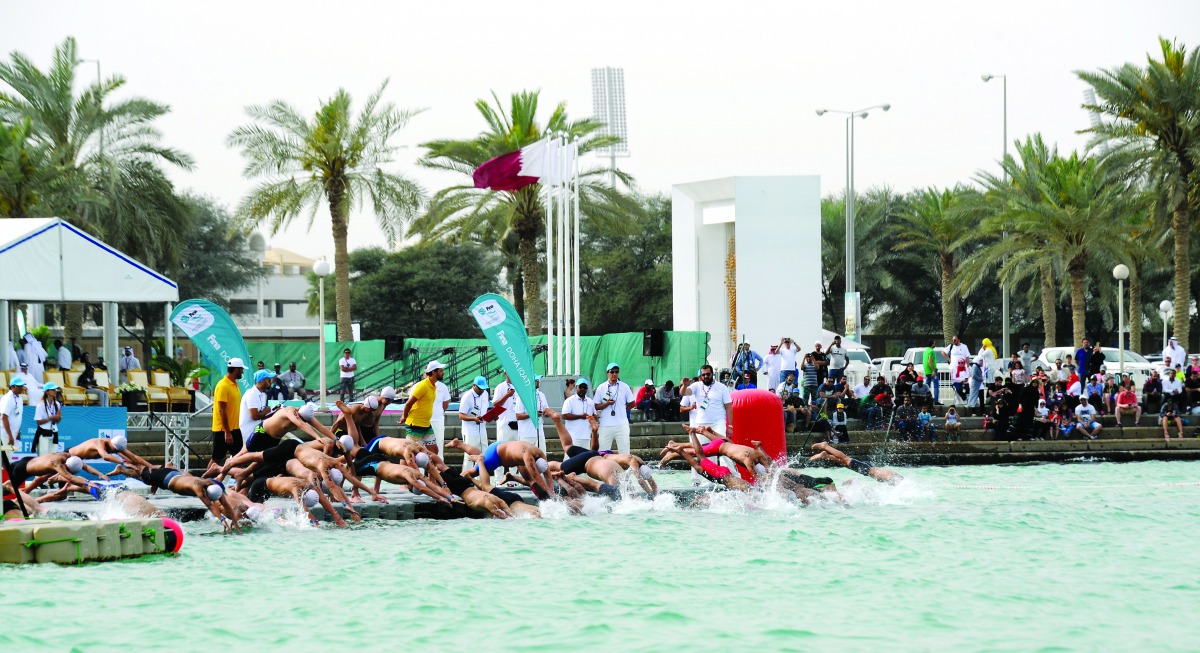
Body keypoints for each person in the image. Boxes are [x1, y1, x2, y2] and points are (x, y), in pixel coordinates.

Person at [205, 357, 247, 477]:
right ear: (236, 370)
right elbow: (221, 410)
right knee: (217, 459)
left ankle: (240, 485)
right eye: (241, 370)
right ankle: (205, 482)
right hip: (223, 430)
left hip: (235, 428)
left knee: (240, 459)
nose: (242, 372)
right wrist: (227, 433)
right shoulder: (223, 385)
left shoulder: (235, 385)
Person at [593, 362, 636, 454]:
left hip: (621, 424)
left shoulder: (624, 386)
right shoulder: (601, 387)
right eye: (612, 372)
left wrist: (623, 408)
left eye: (616, 372)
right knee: (603, 451)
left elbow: (633, 403)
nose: (614, 374)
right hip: (606, 424)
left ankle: (626, 468)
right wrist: (607, 404)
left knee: (624, 451)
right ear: (607, 373)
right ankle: (603, 468)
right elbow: (596, 405)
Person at [809, 441, 902, 484]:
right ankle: (825, 446)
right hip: (868, 469)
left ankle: (826, 455)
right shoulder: (898, 482)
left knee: (845, 462)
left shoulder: (899, 480)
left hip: (870, 468)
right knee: (845, 459)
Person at [403, 360, 445, 453]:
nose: (443, 373)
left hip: (426, 424)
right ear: (434, 372)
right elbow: (408, 404)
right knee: (411, 452)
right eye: (441, 371)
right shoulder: (423, 386)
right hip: (415, 424)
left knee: (434, 450)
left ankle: (428, 467)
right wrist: (405, 416)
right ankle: (403, 468)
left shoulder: (433, 386)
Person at [239, 369, 276, 452]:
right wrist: (266, 411)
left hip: (256, 431)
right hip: (247, 433)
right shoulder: (251, 393)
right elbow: (255, 416)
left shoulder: (263, 395)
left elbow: (262, 415)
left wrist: (274, 411)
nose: (271, 381)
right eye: (268, 379)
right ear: (262, 381)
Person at [458, 375, 491, 462]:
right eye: (480, 388)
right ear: (474, 385)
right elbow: (461, 415)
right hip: (470, 431)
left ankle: (481, 474)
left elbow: (485, 409)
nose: (482, 391)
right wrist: (473, 419)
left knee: (484, 455)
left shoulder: (485, 394)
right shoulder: (467, 396)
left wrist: (491, 416)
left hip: (482, 430)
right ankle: (466, 475)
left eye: (484, 389)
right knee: (470, 457)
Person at [561, 377, 597, 450]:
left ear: (587, 388)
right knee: (570, 459)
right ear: (576, 387)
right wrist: (579, 416)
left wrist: (593, 419)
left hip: (586, 436)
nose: (582, 389)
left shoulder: (590, 401)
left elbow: (594, 415)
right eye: (580, 387)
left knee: (585, 459)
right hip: (573, 436)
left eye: (584, 387)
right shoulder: (570, 400)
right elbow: (564, 415)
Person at [513, 376, 549, 449]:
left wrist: (546, 413)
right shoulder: (522, 396)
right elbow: (518, 416)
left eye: (538, 380)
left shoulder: (541, 395)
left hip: (540, 433)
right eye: (536, 380)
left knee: (542, 457)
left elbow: (546, 409)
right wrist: (532, 414)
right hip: (526, 434)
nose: (538, 382)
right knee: (526, 458)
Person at [33, 382, 62, 455]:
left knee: (53, 456)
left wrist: (59, 417)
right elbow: (38, 422)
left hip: (54, 432)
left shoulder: (57, 404)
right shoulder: (41, 405)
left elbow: (57, 421)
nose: (55, 391)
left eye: (55, 389)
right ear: (47, 392)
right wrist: (51, 418)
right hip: (43, 433)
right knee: (43, 457)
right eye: (52, 390)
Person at [429, 369, 452, 458]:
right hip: (423, 421)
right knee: (421, 448)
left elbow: (445, 404)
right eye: (441, 371)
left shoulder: (442, 387)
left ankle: (438, 471)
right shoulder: (419, 386)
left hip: (438, 420)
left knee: (438, 447)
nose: (443, 373)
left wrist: (438, 413)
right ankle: (420, 472)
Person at [1, 377, 26, 448]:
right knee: (6, 458)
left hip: (13, 434)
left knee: (9, 457)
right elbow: (4, 417)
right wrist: (10, 435)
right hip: (5, 435)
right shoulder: (7, 398)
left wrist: (18, 431)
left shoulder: (20, 398)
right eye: (19, 386)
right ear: (12, 387)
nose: (21, 388)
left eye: (22, 386)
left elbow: (17, 417)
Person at [922, 339, 940, 405]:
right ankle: (936, 401)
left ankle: (926, 400)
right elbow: (930, 361)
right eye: (934, 343)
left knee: (927, 386)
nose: (935, 344)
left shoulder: (925, 350)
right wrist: (933, 371)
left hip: (927, 371)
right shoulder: (931, 351)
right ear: (932, 344)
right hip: (932, 370)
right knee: (936, 386)